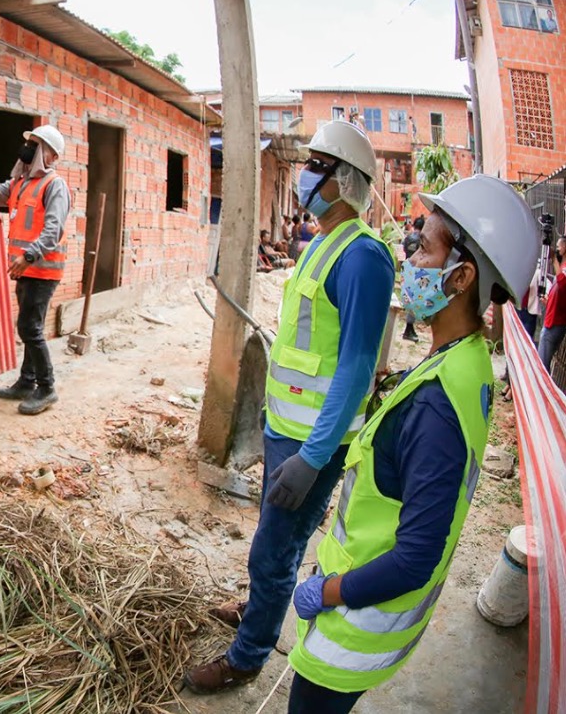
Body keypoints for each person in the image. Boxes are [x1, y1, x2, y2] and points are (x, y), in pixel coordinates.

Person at [285, 175, 539, 713]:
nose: (411, 259)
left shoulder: (437, 406)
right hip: (364, 600)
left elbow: (415, 558)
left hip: (355, 625)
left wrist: (328, 592)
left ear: (461, 277)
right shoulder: (464, 361)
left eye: (424, 247)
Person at [184, 121, 395, 694]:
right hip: (288, 430)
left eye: (317, 165)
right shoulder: (322, 241)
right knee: (278, 542)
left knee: (273, 548)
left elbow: (354, 366)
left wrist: (313, 455)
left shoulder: (362, 257)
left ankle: (248, 655)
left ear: (342, 181)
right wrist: (273, 420)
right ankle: (263, 609)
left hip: (313, 444)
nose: (305, 174)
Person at [0, 125, 70, 416]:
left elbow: (53, 229)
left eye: (35, 144)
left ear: (50, 154)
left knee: (29, 328)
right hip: (25, 268)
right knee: (29, 326)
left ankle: (46, 389)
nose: (28, 149)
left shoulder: (54, 185)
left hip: (42, 269)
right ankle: (26, 382)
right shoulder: (19, 184)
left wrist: (29, 256)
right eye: (29, 143)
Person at [538, 235, 566, 372]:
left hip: (555, 324)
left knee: (542, 366)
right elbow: (560, 297)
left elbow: (562, 284)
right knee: (543, 362)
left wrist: (554, 259)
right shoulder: (561, 267)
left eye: (560, 246)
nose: (557, 248)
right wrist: (548, 302)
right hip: (551, 320)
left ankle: (543, 393)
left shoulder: (563, 268)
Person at [401, 216, 425, 342]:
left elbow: (404, 250)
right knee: (414, 301)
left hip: (407, 270)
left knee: (409, 300)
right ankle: (409, 329)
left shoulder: (408, 238)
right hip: (417, 272)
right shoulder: (422, 240)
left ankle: (409, 328)